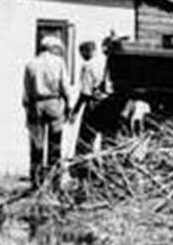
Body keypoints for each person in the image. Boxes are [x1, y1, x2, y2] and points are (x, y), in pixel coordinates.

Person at [22, 35, 75, 189]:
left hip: (35, 104)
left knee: (36, 145)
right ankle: (54, 182)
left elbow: (26, 91)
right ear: (52, 48)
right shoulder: (58, 62)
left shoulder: (30, 64)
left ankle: (36, 182)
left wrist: (27, 109)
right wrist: (69, 105)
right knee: (55, 144)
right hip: (53, 103)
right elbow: (64, 86)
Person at [73, 39, 112, 171]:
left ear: (86, 51)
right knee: (108, 140)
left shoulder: (88, 65)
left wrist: (75, 110)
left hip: (94, 104)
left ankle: (84, 171)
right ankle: (109, 169)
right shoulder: (107, 61)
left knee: (86, 139)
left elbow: (85, 92)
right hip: (109, 102)